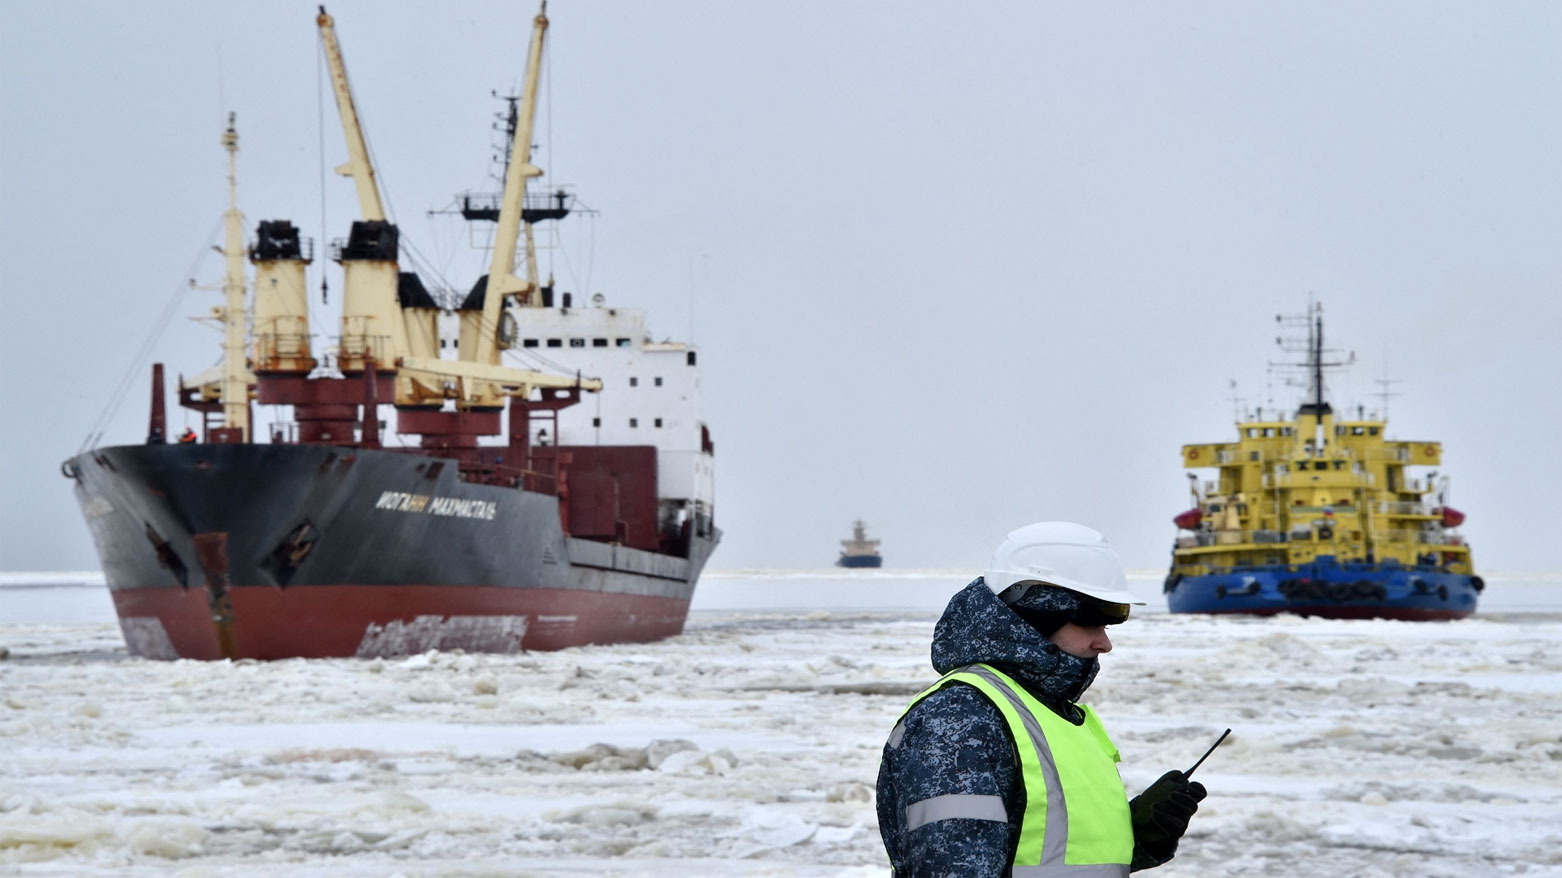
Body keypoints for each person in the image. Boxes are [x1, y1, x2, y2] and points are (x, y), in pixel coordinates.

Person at [877, 521, 1207, 876]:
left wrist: (1136, 841)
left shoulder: (1053, 713)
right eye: (1092, 621)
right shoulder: (961, 719)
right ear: (1037, 613)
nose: (1105, 643)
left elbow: (1047, 858)